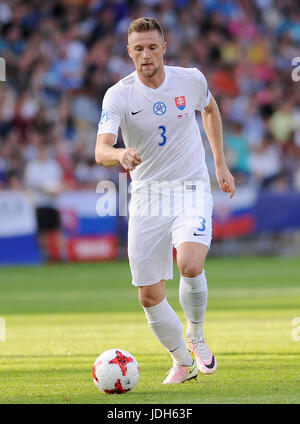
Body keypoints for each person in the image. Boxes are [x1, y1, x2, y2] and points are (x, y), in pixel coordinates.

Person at [95, 17, 235, 384]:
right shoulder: (119, 95)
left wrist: (220, 164)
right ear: (129, 52)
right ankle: (181, 362)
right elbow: (101, 149)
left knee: (190, 263)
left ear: (163, 48)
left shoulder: (190, 79)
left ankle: (197, 334)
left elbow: (210, 109)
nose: (145, 55)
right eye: (138, 48)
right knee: (149, 295)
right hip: (146, 196)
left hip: (190, 187)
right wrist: (119, 155)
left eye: (152, 47)